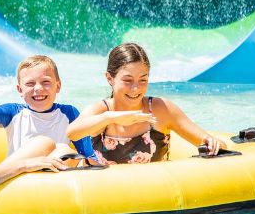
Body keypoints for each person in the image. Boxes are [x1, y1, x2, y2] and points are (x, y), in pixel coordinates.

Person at [67, 42, 228, 164]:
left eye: (143, 80)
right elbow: (72, 133)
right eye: (127, 80)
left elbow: (209, 142)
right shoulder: (101, 110)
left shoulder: (160, 109)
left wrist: (213, 143)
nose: (135, 88)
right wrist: (111, 118)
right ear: (110, 78)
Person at [0, 55, 96, 162]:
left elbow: (88, 155)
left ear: (58, 86)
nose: (38, 88)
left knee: (63, 150)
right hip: (19, 176)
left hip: (52, 177)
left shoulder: (69, 114)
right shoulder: (13, 113)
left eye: (45, 82)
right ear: (20, 90)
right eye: (30, 83)